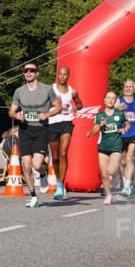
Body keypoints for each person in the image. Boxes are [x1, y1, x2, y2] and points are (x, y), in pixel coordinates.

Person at [9, 62, 61, 209]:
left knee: (37, 165)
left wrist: (48, 114)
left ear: (37, 73)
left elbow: (58, 106)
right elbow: (11, 111)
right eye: (26, 70)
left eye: (32, 70)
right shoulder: (19, 91)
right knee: (26, 165)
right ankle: (33, 196)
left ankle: (42, 174)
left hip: (41, 130)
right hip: (25, 129)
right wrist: (16, 115)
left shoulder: (47, 89)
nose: (28, 72)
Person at [87, 91, 130, 205]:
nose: (110, 100)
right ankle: (109, 195)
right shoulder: (100, 115)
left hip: (116, 146)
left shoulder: (120, 113)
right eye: (108, 98)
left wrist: (124, 129)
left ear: (115, 101)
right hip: (103, 147)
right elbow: (95, 130)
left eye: (113, 98)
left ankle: (119, 179)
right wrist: (98, 126)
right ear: (104, 99)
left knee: (111, 170)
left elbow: (127, 125)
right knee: (104, 174)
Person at [47, 66, 82, 201]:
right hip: (52, 124)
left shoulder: (72, 92)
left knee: (63, 154)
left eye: (64, 74)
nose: (62, 77)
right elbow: (42, 103)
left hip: (67, 123)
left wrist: (75, 107)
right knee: (55, 157)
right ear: (57, 75)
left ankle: (61, 186)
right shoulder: (51, 89)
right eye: (60, 74)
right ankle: (58, 180)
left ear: (68, 76)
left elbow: (80, 104)